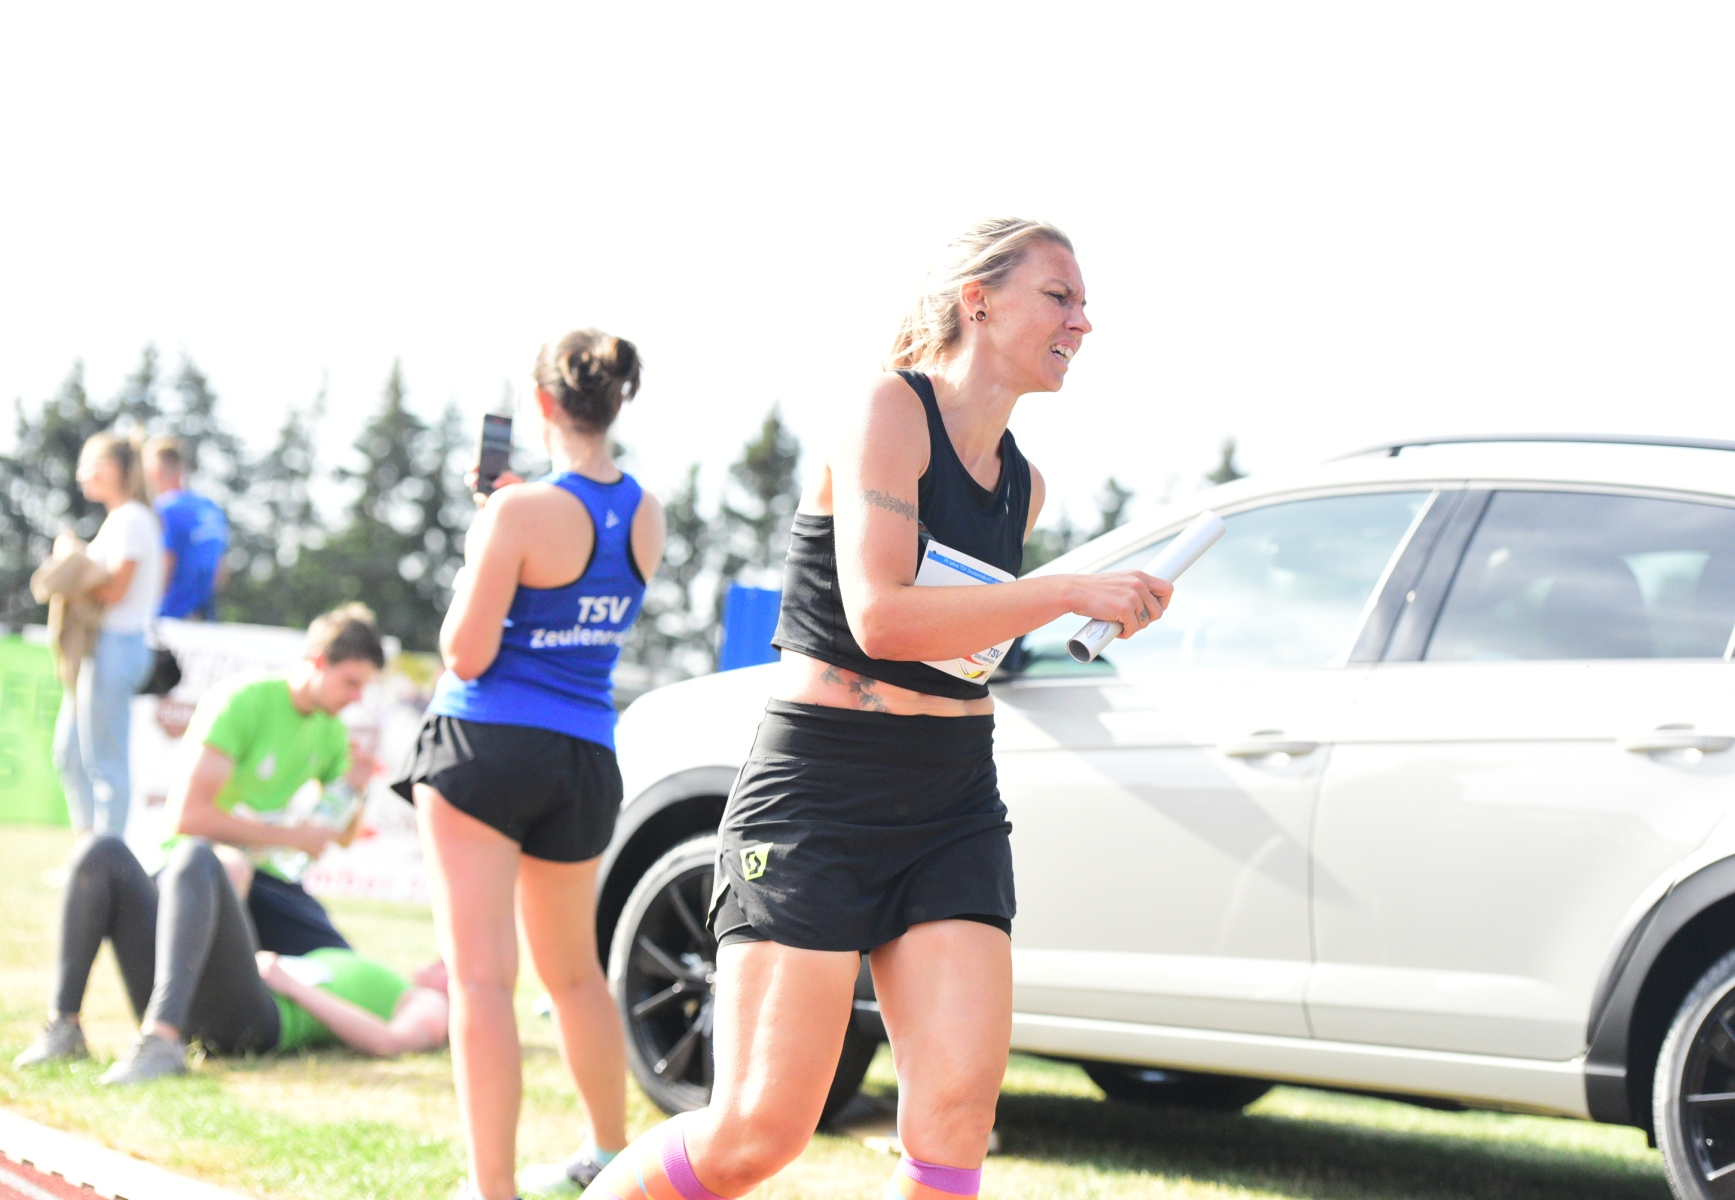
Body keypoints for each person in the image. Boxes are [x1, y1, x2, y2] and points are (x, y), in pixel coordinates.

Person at [583, 220, 1172, 1200]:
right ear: (978, 301)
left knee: (955, 1125)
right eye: (1059, 296)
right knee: (757, 1133)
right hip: (821, 793)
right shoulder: (886, 410)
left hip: (952, 802)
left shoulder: (1022, 485)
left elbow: (960, 646)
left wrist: (1082, 620)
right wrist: (1066, 592)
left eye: (1083, 302)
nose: (1083, 321)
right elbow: (883, 616)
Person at [392, 330, 665, 1200]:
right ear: (613, 402)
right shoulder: (647, 511)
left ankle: (492, 1188)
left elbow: (465, 654)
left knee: (481, 980)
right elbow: (580, 570)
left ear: (544, 404)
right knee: (575, 974)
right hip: (582, 755)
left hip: (485, 747)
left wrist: (490, 532)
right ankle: (610, 1157)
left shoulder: (513, 515)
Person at [11, 833, 447, 1083]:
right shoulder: (370, 968)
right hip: (204, 995)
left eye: (450, 964)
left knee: (197, 856)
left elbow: (389, 1043)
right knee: (103, 851)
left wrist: (292, 986)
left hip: (258, 1020)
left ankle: (161, 1042)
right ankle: (63, 1027)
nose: (441, 959)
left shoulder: (433, 1003)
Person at [166, 603, 384, 956]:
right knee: (233, 872)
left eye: (363, 687)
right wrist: (293, 837)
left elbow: (344, 838)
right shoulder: (243, 700)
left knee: (340, 965)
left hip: (267, 875)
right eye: (351, 683)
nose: (357, 698)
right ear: (318, 661)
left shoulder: (331, 730)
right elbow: (189, 819)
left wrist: (355, 788)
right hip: (196, 865)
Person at [52, 434, 165, 840]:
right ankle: (88, 852)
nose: (81, 475)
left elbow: (115, 590)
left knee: (106, 764)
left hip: (117, 646)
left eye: (90, 465)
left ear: (113, 469)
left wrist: (72, 560)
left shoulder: (132, 518)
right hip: (100, 647)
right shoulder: (122, 518)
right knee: (70, 753)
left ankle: (106, 860)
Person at [144, 436, 230, 621]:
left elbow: (164, 566)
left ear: (155, 471)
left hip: (168, 619)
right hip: (204, 617)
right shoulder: (211, 509)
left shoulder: (165, 509)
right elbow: (219, 574)